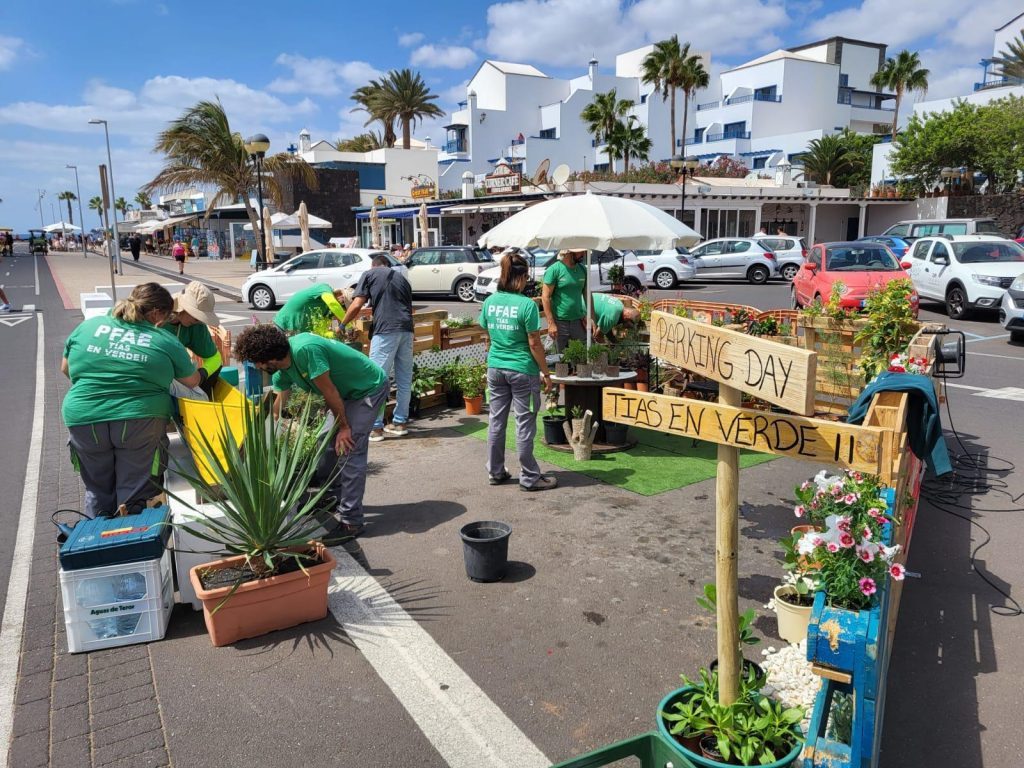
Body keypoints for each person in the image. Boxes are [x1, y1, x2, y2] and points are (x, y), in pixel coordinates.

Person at [234, 325, 388, 538]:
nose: (257, 367)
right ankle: (336, 497)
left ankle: (351, 522)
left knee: (349, 449)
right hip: (344, 393)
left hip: (366, 389)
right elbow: (280, 400)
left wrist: (344, 427)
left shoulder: (306, 350)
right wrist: (266, 429)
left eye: (255, 362)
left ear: (265, 359)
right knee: (326, 445)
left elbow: (329, 390)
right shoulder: (284, 367)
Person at [61, 283, 200, 518]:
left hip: (84, 418)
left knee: (97, 490)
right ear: (156, 314)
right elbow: (192, 380)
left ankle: (97, 543)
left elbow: (66, 369)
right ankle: (132, 546)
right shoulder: (162, 339)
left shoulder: (89, 327)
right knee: (133, 491)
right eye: (165, 318)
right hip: (139, 420)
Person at [479, 251, 557, 491]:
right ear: (521, 277)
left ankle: (495, 471)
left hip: (496, 368)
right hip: (523, 370)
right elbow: (534, 343)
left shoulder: (490, 301)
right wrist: (546, 372)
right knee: (524, 424)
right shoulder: (526, 305)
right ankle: (530, 477)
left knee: (496, 421)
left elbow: (487, 334)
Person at [341, 255, 414, 442]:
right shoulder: (402, 279)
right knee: (404, 378)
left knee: (376, 379)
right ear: (388, 266)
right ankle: (400, 423)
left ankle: (375, 428)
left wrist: (342, 325)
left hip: (386, 331)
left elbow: (357, 303)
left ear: (374, 266)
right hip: (406, 330)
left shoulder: (370, 274)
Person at [166, 282, 223, 399]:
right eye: (197, 317)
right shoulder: (153, 316)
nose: (200, 321)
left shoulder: (196, 326)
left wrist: (202, 374)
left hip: (176, 377)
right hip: (150, 376)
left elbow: (215, 358)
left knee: (202, 398)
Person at [542, 248, 594, 352]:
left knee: (584, 355)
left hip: (578, 321)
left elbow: (587, 295)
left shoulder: (583, 269)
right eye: (580, 251)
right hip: (559, 322)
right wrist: (551, 323)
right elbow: (545, 297)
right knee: (559, 359)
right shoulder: (554, 270)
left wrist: (591, 318)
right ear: (570, 252)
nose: (583, 254)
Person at [273, 282, 349, 334]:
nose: (343, 309)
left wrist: (335, 333)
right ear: (340, 295)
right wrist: (348, 324)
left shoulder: (328, 310)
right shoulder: (324, 288)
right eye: (343, 306)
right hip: (283, 325)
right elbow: (333, 304)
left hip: (296, 333)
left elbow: (321, 329)